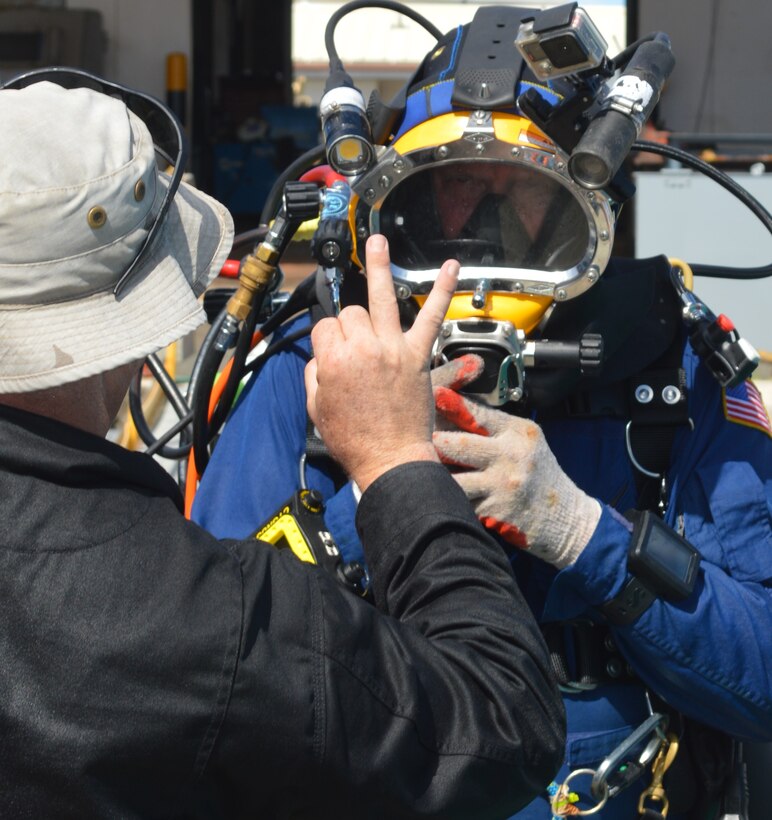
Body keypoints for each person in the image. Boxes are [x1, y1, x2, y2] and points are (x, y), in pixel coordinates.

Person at [192, 5, 772, 819]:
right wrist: (381, 479)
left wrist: (583, 532)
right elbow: (211, 668)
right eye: (450, 195)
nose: (475, 239)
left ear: (587, 210)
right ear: (388, 208)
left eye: (518, 199)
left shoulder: (672, 372)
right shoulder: (322, 361)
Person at [0, 71, 567, 818]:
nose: (485, 208)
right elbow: (498, 723)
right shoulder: (184, 615)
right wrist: (395, 465)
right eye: (463, 185)